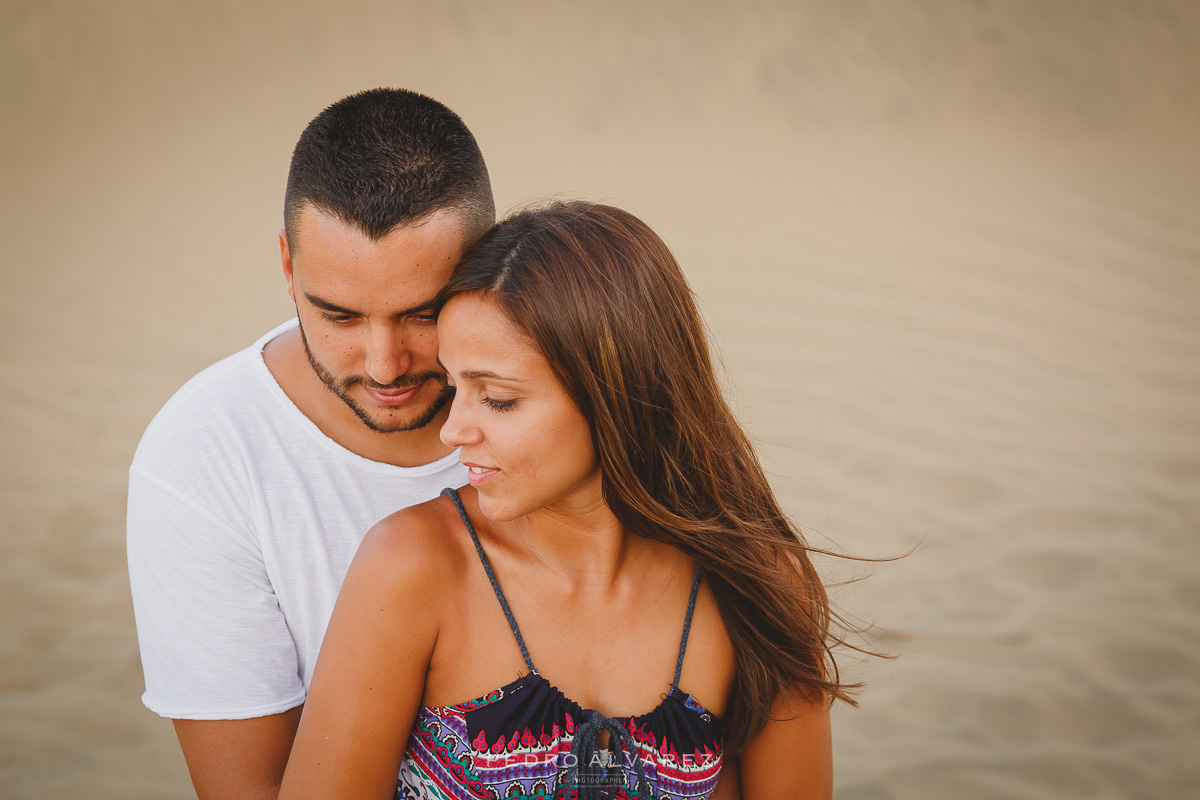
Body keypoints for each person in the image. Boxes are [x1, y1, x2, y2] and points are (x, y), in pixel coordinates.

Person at [279, 202, 856, 799]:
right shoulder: (415, 566)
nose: (454, 431)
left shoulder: (754, 583)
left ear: (617, 395)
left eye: (498, 399)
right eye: (456, 387)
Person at [126, 88, 495, 799]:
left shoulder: (580, 406)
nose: (384, 364)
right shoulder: (203, 456)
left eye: (422, 313)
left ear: (489, 261)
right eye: (340, 316)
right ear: (289, 267)